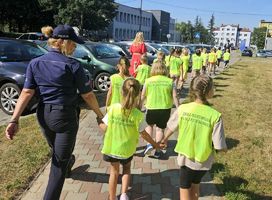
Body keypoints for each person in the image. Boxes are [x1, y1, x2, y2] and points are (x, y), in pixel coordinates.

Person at [5, 25, 104, 200]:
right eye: (74, 43)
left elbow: (27, 92)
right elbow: (88, 94)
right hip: (65, 117)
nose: (75, 47)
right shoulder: (73, 65)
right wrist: (99, 115)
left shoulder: (35, 63)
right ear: (64, 42)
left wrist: (14, 119)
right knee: (57, 165)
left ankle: (67, 162)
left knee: (57, 151)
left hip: (44, 115)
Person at [161, 75, 227, 200]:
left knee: (184, 187)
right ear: (208, 91)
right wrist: (224, 150)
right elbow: (219, 144)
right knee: (195, 185)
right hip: (203, 161)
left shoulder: (183, 109)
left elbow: (171, 127)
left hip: (187, 158)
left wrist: (164, 139)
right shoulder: (215, 115)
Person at [99, 78, 161, 200]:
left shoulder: (113, 108)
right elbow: (144, 134)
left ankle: (112, 197)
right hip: (127, 150)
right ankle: (123, 195)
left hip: (111, 148)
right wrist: (155, 144)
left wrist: (98, 121)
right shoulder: (138, 115)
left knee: (114, 172)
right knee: (126, 169)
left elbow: (104, 128)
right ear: (138, 94)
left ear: (121, 92)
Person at [141, 61, 179, 158]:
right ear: (165, 69)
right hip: (165, 109)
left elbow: (143, 95)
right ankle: (158, 150)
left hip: (151, 108)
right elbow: (175, 96)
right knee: (160, 130)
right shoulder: (170, 81)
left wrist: (139, 106)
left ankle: (149, 145)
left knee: (149, 126)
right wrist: (179, 108)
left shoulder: (148, 80)